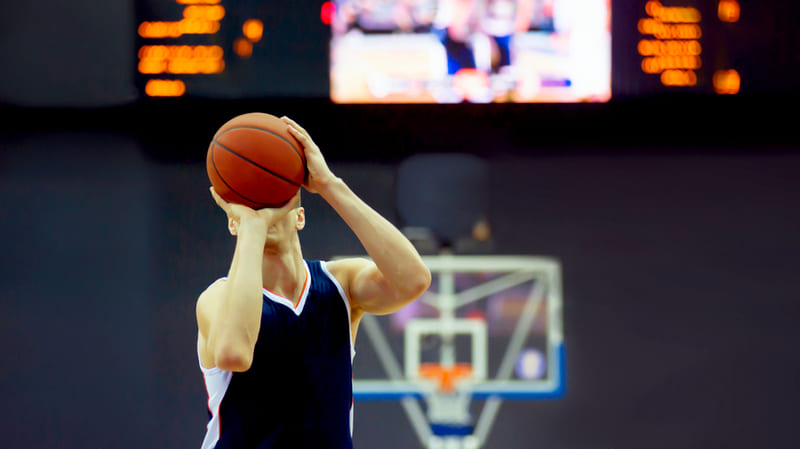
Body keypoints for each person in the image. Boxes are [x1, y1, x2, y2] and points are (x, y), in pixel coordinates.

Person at [195, 116, 432, 448]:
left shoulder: (341, 284)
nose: (265, 207)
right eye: (253, 203)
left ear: (300, 217)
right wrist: (251, 226)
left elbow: (413, 280)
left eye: (276, 198)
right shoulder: (217, 298)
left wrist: (329, 185)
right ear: (233, 225)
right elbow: (234, 354)